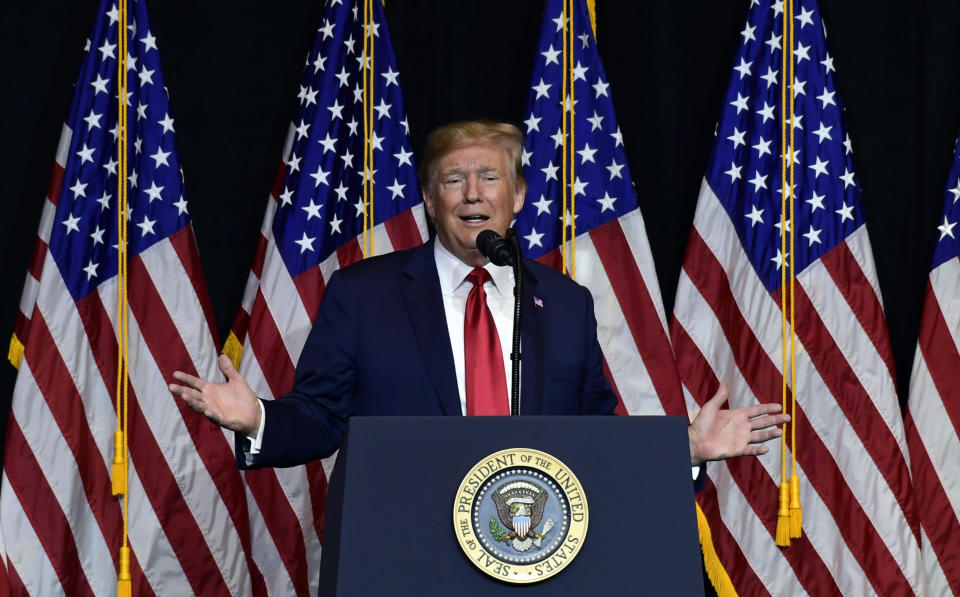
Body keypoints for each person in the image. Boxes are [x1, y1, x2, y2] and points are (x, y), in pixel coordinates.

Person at [169, 120, 788, 470]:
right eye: (453, 180)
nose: (472, 194)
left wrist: (682, 451)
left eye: (489, 177)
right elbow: (320, 419)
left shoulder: (566, 304)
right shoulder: (364, 293)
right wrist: (259, 419)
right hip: (407, 556)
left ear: (516, 196)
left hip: (538, 553)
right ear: (431, 200)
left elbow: (595, 440)